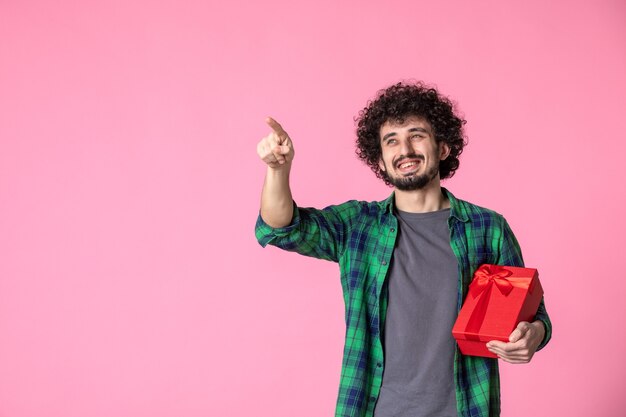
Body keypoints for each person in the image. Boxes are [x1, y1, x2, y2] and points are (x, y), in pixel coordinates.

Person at [254, 81, 552, 417]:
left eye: (416, 135)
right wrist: (277, 170)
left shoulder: (487, 229)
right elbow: (281, 227)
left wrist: (532, 335)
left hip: (466, 408)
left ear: (442, 148)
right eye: (391, 141)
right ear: (380, 161)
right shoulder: (358, 226)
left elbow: (533, 316)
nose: (405, 149)